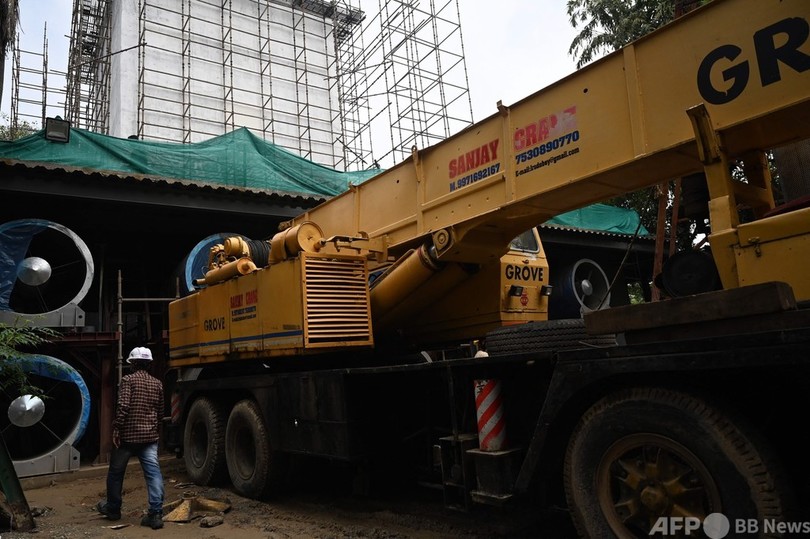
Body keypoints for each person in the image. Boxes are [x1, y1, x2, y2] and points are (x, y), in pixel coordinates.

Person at [97, 346, 165, 529]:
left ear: (133, 363)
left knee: (116, 473)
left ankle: (113, 509)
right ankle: (156, 514)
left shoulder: (127, 381)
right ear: (149, 364)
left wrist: (117, 429)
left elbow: (123, 406)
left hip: (128, 437)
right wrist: (154, 430)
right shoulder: (157, 383)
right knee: (153, 474)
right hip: (149, 437)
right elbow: (160, 412)